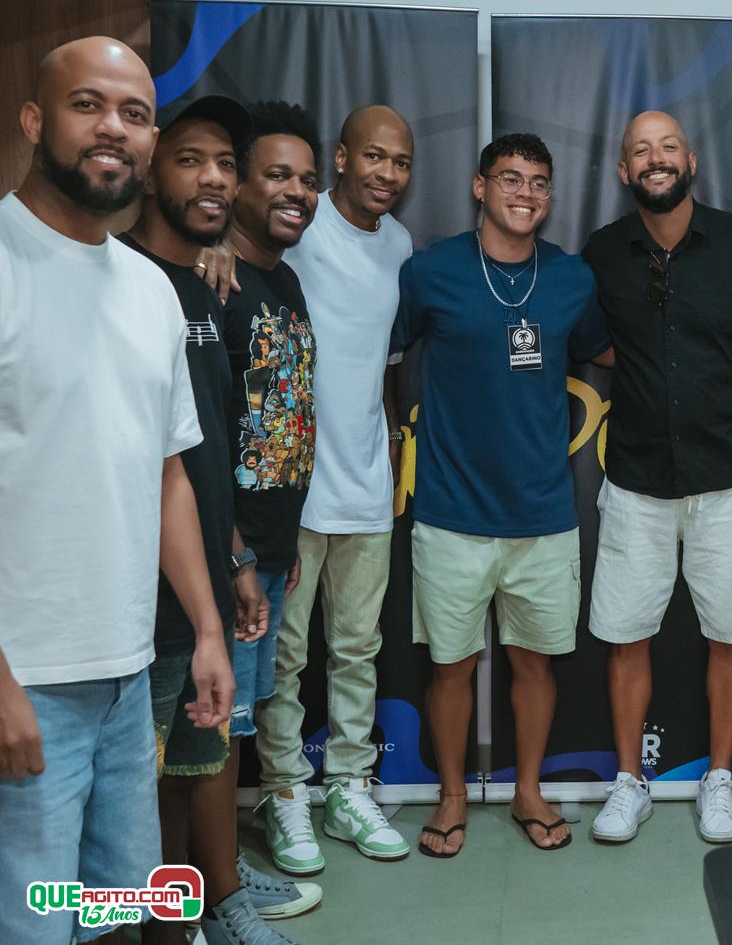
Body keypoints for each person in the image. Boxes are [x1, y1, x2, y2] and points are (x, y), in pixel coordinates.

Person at [0, 37, 233, 945]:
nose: (114, 129)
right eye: (87, 104)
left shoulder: (149, 290)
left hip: (128, 678)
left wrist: (206, 628)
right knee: (30, 925)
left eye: (135, 114)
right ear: (34, 120)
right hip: (26, 681)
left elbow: (166, 471)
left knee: (112, 912)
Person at [124, 94, 321, 945]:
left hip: (225, 568)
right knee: (149, 783)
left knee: (203, 754)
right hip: (159, 588)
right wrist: (236, 554)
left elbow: (208, 440)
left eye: (224, 163)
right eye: (191, 160)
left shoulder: (228, 281)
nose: (213, 178)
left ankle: (207, 892)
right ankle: (204, 900)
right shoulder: (152, 280)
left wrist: (245, 554)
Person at [395, 133, 611, 857]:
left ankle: (528, 789)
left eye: (539, 182)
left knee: (534, 661)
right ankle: (453, 796)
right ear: (479, 186)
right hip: (450, 511)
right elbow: (386, 351)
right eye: (511, 178)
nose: (526, 192)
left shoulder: (572, 277)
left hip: (543, 512)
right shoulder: (430, 271)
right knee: (451, 665)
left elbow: (606, 349)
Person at [582, 110, 732, 843]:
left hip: (730, 479)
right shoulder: (603, 252)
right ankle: (629, 782)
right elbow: (593, 341)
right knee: (625, 636)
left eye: (667, 146)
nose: (656, 158)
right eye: (641, 150)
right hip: (636, 479)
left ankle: (720, 779)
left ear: (691, 160)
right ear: (624, 171)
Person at [254, 105, 416, 872]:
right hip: (292, 490)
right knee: (284, 658)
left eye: (402, 162)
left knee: (357, 650)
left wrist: (388, 454)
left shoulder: (401, 245)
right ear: (343, 157)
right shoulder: (299, 222)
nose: (388, 173)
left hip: (366, 485)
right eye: (374, 156)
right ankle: (284, 792)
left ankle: (349, 787)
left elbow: (381, 366)